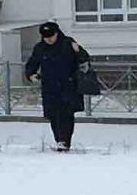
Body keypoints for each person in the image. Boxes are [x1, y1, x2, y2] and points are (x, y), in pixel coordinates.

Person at [23, 20, 93, 151]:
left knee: (66, 114)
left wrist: (78, 51)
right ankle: (59, 140)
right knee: (53, 115)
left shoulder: (68, 43)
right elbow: (32, 63)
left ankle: (64, 142)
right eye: (46, 37)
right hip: (49, 87)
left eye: (51, 36)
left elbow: (84, 59)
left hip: (68, 86)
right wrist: (30, 74)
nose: (49, 39)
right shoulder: (40, 48)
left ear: (57, 33)